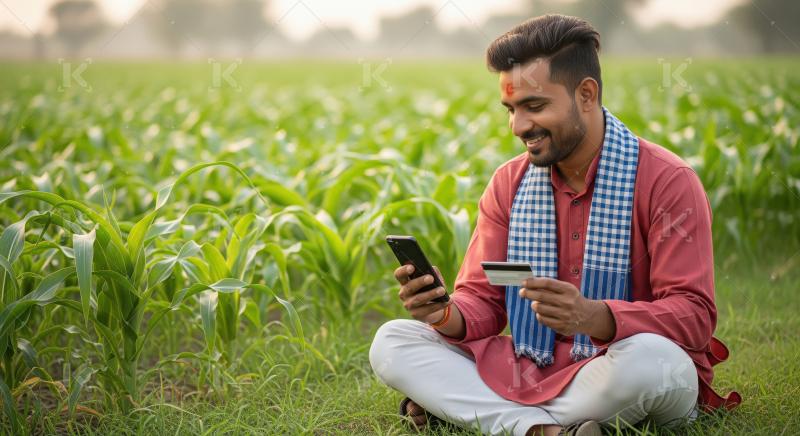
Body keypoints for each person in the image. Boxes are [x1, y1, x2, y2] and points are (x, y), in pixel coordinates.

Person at [369, 14, 740, 436]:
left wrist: (593, 316)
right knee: (393, 341)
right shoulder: (508, 184)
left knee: (657, 361)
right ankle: (540, 430)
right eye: (511, 109)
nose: (518, 126)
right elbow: (483, 300)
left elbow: (693, 317)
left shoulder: (667, 181)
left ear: (586, 94)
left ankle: (472, 410)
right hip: (530, 368)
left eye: (535, 106)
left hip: (617, 368)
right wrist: (444, 313)